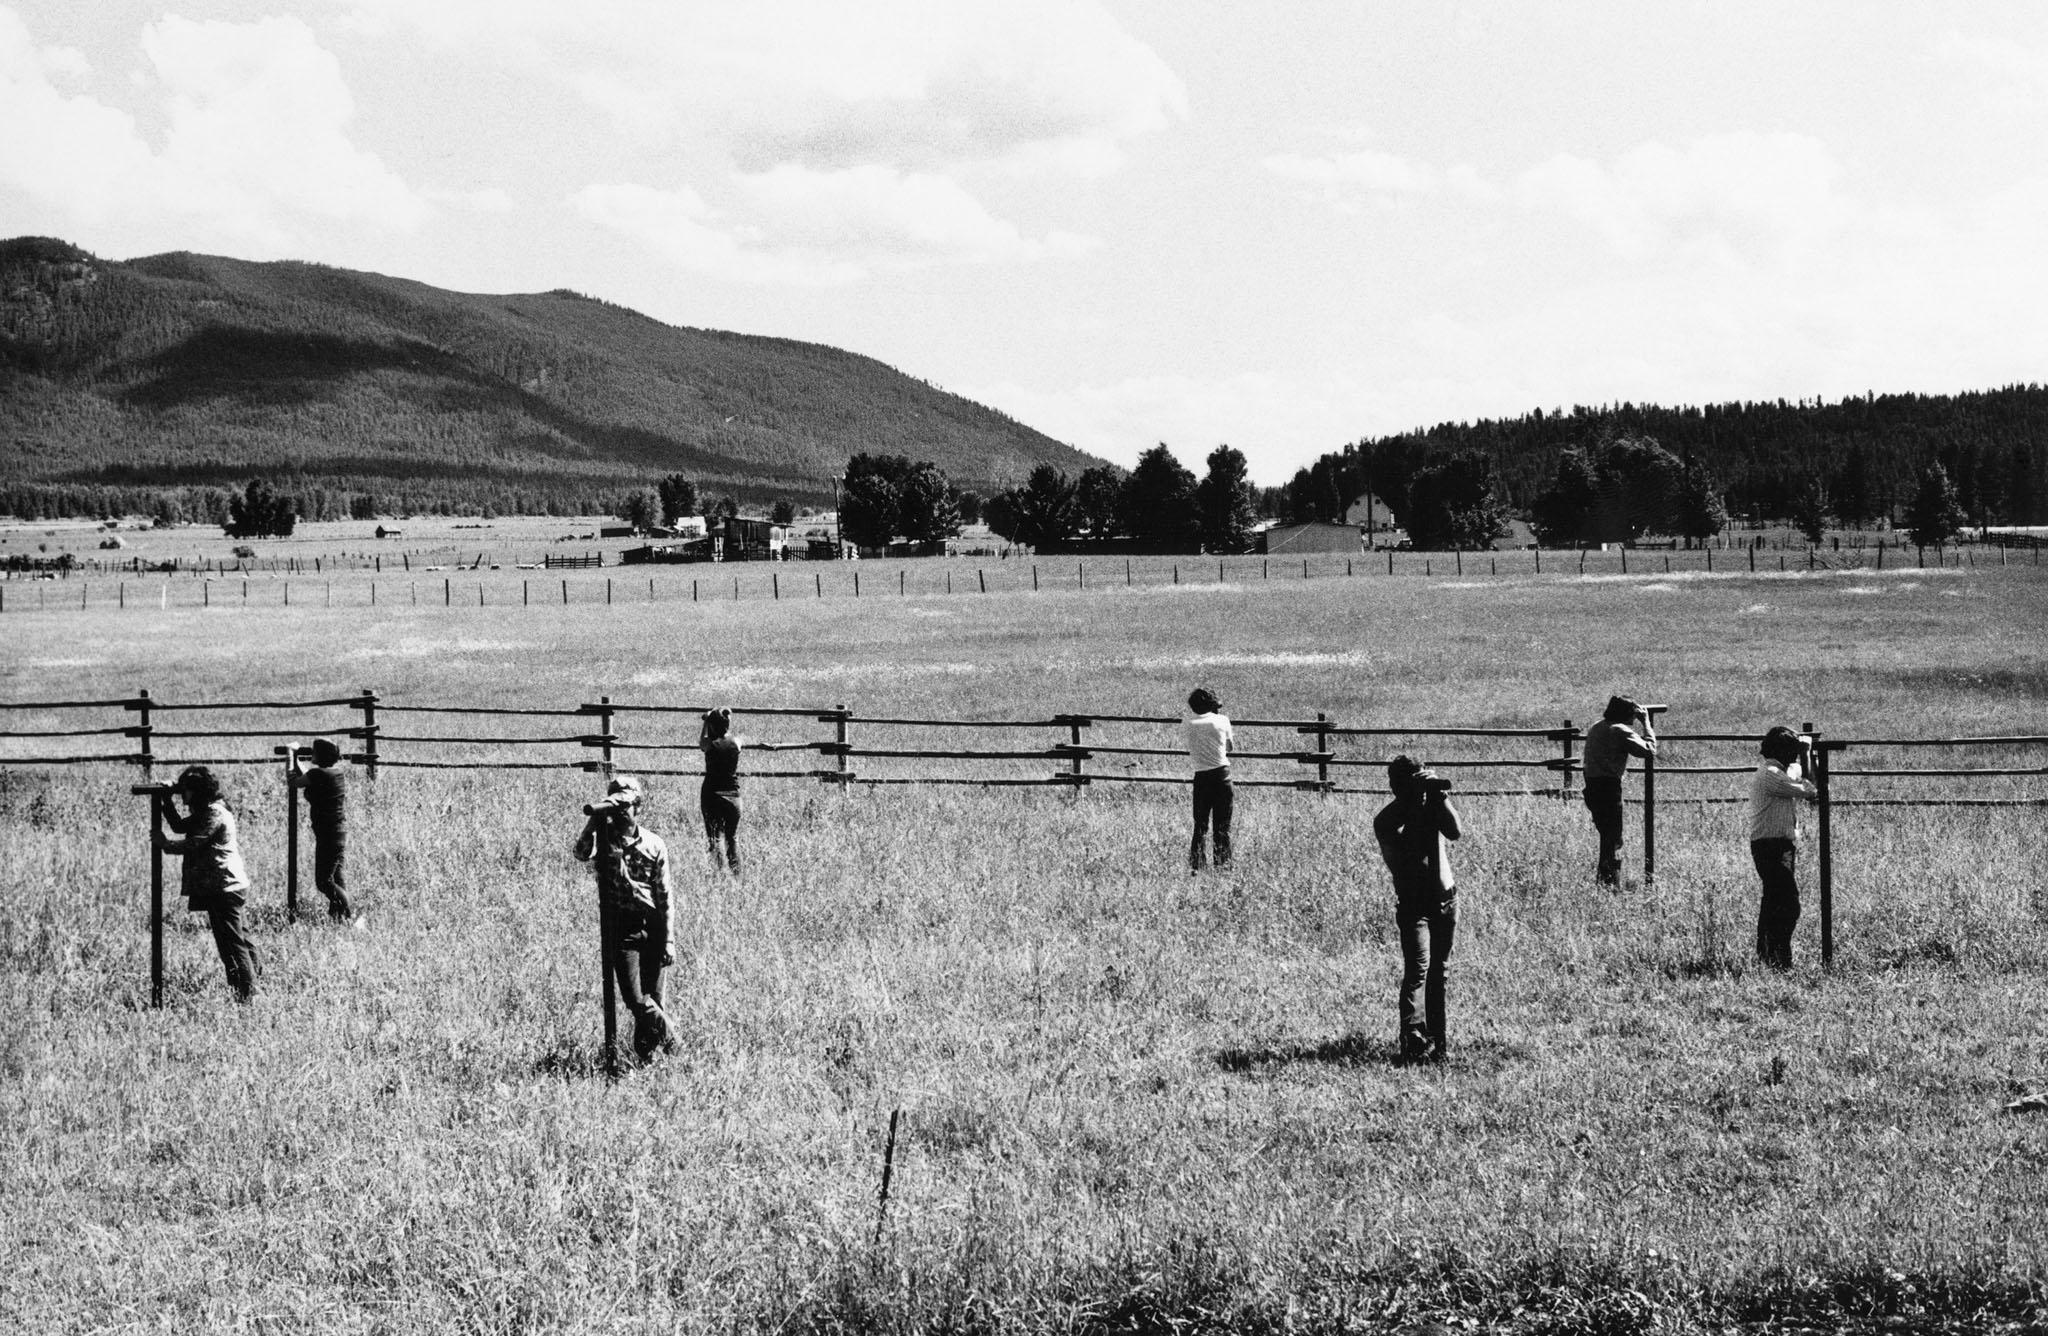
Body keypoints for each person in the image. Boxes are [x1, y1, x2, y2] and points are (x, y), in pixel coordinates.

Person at [573, 776, 675, 1063]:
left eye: (626, 805)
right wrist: (593, 824)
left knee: (655, 998)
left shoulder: (654, 844)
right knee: (635, 999)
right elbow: (580, 853)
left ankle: (647, 1059)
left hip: (653, 925)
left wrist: (668, 939)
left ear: (638, 807)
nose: (621, 812)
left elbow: (665, 896)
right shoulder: (605, 840)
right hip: (623, 928)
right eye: (615, 805)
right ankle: (675, 1042)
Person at [1373, 756, 1463, 1063]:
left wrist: (1440, 798)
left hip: (1445, 899)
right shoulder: (1387, 820)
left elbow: (1455, 832)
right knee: (1418, 970)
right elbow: (1405, 855)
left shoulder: (1430, 807)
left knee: (1439, 972)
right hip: (1415, 905)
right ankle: (1413, 1040)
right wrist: (1414, 801)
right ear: (1398, 788)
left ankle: (1439, 1044)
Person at [154, 765, 259, 1002]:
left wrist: (165, 845)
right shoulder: (211, 810)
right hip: (225, 885)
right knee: (239, 938)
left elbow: (193, 842)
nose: (184, 796)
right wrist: (167, 800)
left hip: (224, 886)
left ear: (198, 791)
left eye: (187, 791)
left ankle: (247, 994)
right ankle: (251, 986)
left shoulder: (214, 813)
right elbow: (181, 826)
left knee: (232, 944)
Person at [1750, 725, 1819, 970]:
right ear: (1781, 750)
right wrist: (1807, 753)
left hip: (1776, 844)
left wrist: (1805, 755)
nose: (1794, 756)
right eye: (1791, 751)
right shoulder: (1772, 775)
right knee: (1788, 905)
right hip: (1771, 846)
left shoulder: (1776, 770)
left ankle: (1768, 956)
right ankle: (1779, 958)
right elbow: (1810, 790)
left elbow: (1797, 772)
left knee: (1773, 901)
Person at [1582, 694, 1657, 886]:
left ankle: (1605, 881)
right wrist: (1646, 722)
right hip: (1608, 789)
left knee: (1607, 837)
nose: (1634, 718)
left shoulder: (1598, 726)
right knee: (1613, 839)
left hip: (1592, 787)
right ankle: (1609, 884)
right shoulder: (1619, 730)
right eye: (1633, 714)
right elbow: (1649, 750)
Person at [291, 737, 353, 923]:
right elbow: (307, 777)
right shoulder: (336, 772)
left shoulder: (318, 775)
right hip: (338, 831)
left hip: (328, 834)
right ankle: (338, 919)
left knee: (324, 881)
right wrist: (297, 761)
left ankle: (350, 915)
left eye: (314, 751)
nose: (311, 754)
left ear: (321, 755)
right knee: (336, 877)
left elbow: (294, 781)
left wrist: (290, 755)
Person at [1184, 687, 1233, 871]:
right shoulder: (1222, 720)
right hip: (1222, 775)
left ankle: (1197, 865)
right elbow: (1230, 747)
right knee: (1222, 825)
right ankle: (1223, 865)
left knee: (1200, 825)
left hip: (1201, 775)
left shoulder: (1187, 722)